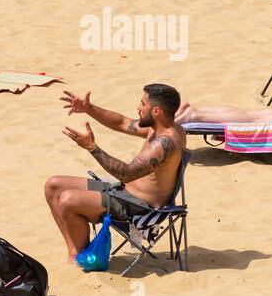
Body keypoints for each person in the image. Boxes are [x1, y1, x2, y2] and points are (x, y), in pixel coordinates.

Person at [45, 84, 185, 261]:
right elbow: (121, 122)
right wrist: (88, 108)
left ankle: (85, 259)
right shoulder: (158, 127)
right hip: (122, 192)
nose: (138, 108)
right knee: (53, 185)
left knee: (68, 200)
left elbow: (126, 174)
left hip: (140, 207)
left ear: (156, 110)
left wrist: (92, 147)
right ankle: (74, 253)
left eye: (142, 104)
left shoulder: (165, 143)